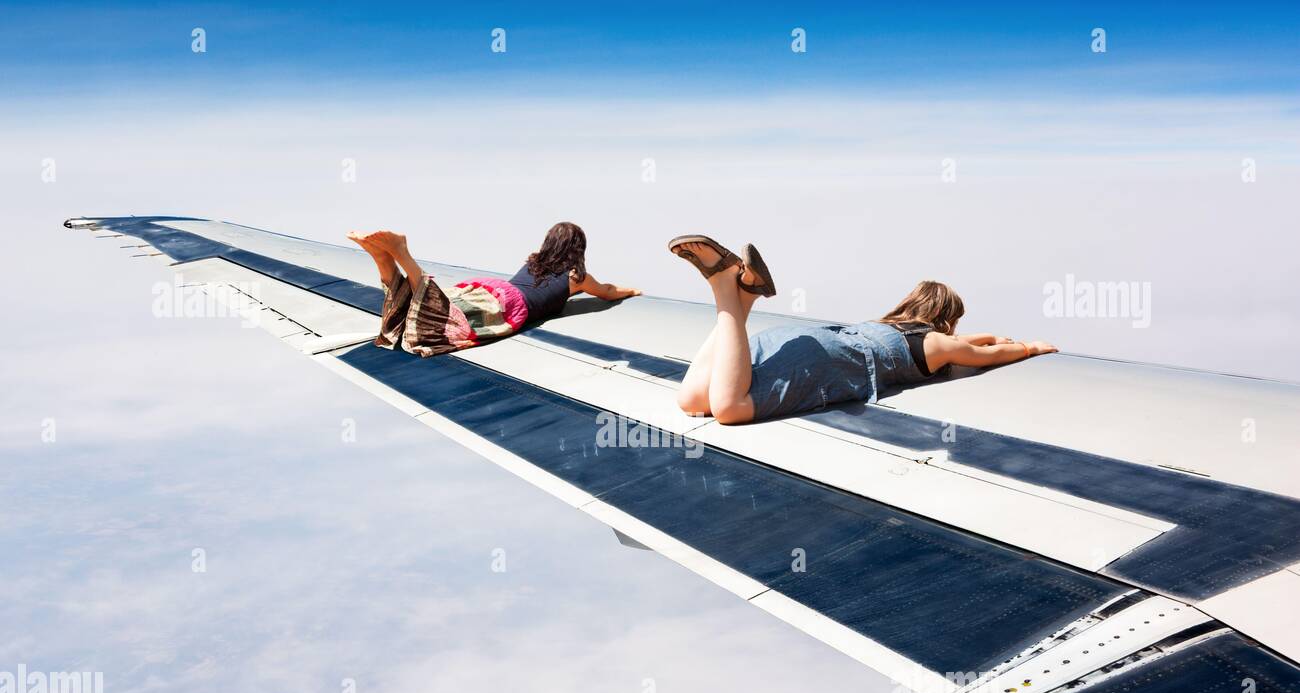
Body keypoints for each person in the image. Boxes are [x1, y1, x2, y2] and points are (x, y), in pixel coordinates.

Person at [669, 235, 1058, 424]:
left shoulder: (890, 326)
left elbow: (970, 342)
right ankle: (723, 286)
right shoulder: (936, 343)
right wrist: (1027, 348)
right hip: (821, 364)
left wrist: (991, 334)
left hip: (794, 342)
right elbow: (980, 356)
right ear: (945, 316)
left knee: (691, 400)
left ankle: (748, 296)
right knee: (728, 410)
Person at [348, 223, 640, 356]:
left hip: (490, 290)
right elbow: (607, 291)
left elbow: (551, 291)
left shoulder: (535, 260)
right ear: (578, 249)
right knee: (435, 321)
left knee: (415, 308)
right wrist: (631, 291)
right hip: (506, 307)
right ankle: (401, 252)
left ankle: (381, 257)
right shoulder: (577, 277)